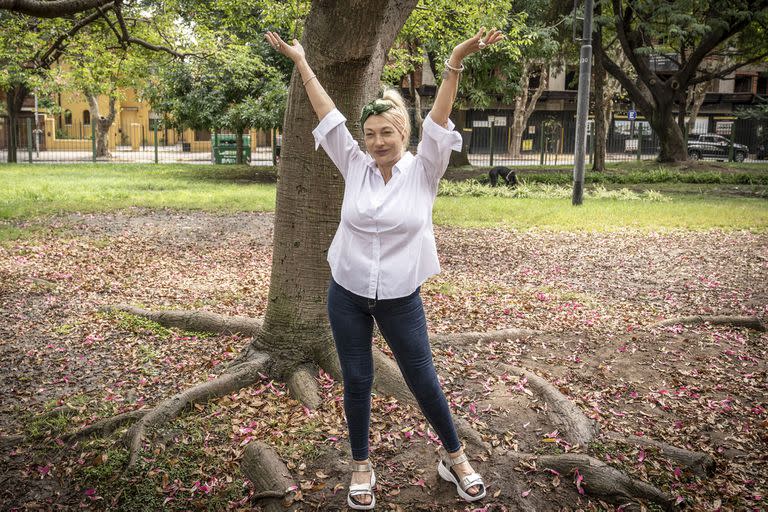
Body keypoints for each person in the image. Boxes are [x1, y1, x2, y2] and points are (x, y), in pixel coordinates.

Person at [265, 27, 503, 510]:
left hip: (400, 297)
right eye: (370, 134)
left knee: (422, 378)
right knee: (357, 378)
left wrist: (455, 57)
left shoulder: (424, 169)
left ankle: (454, 458)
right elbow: (327, 113)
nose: (377, 142)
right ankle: (361, 465)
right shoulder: (353, 164)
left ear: (404, 135)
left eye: (386, 133)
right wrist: (303, 63)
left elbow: (439, 118)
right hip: (347, 292)